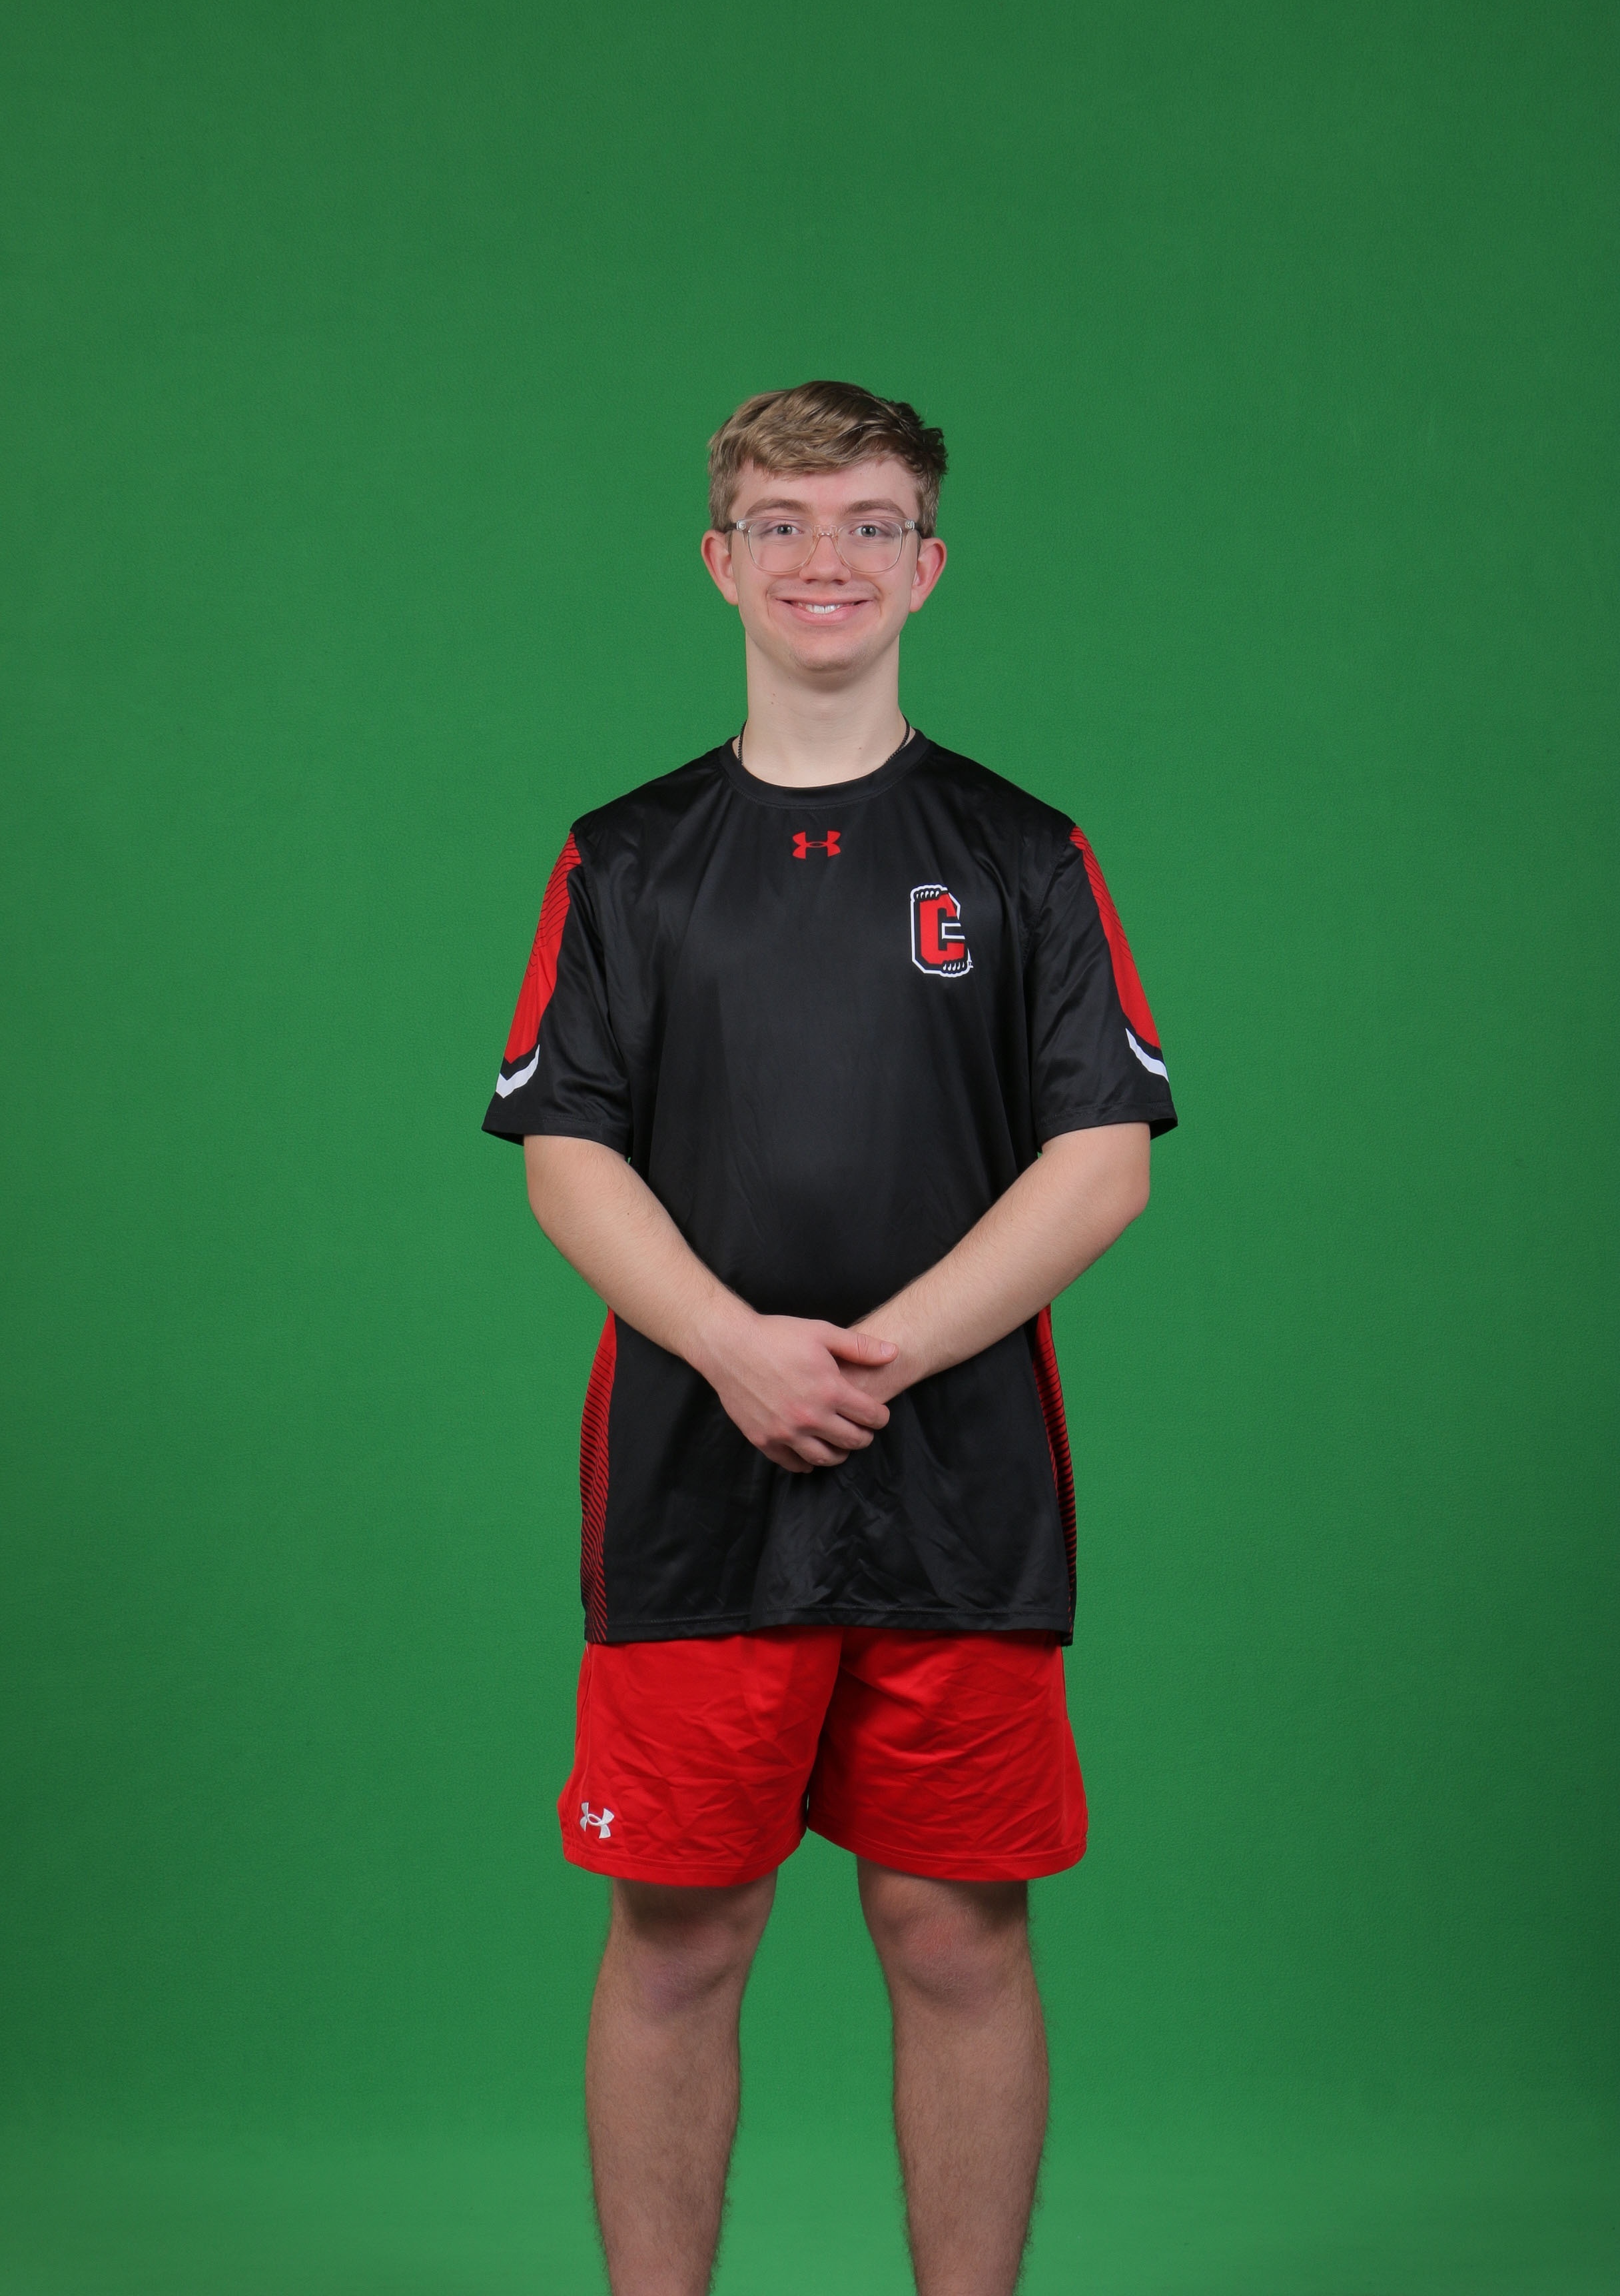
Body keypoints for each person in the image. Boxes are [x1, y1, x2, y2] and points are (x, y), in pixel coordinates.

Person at [483, 381, 1176, 2296]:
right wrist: (733, 1348)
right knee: (680, 1939)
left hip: (958, 1486)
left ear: (926, 567)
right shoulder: (625, 859)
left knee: (956, 1933)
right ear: (721, 562)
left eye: (871, 523)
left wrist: (876, 1358)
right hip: (693, 1487)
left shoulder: (1024, 851)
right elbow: (566, 1151)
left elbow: (1101, 1161)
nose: (826, 560)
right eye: (784, 524)